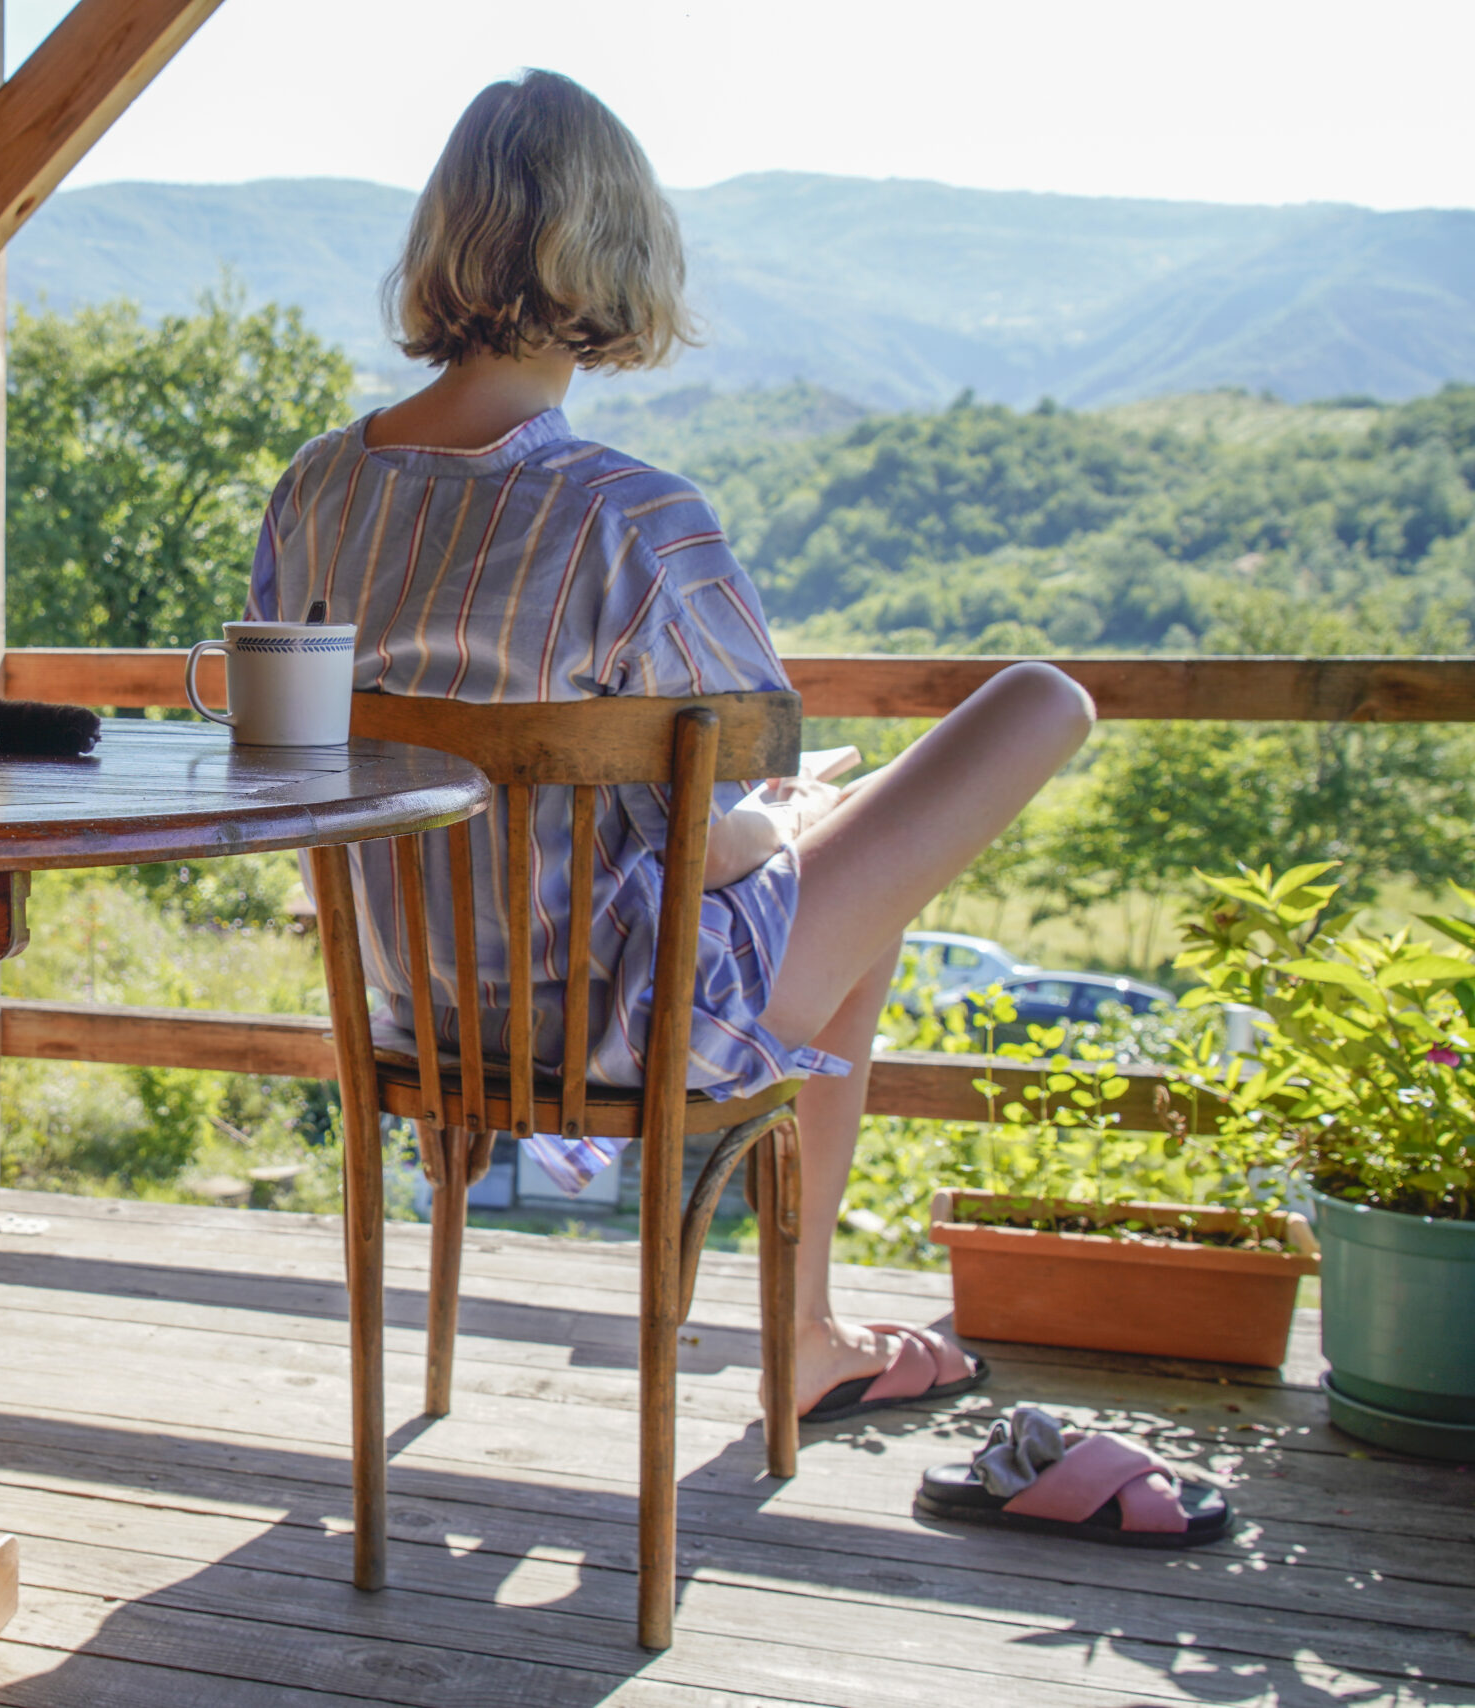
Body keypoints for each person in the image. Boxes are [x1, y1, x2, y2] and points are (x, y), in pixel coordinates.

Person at [246, 69, 1095, 1419]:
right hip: (633, 1021)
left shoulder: (316, 492)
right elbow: (726, 796)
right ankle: (802, 1334)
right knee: (1042, 700)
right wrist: (783, 822)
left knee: (822, 876)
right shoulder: (635, 519)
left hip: (418, 1013)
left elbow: (290, 759)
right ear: (617, 252)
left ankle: (805, 1327)